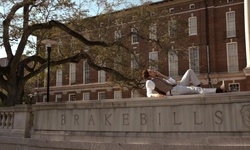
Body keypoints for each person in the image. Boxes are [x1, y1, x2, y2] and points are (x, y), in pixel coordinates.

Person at [142, 69, 225, 98]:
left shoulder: (158, 78)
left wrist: (162, 75)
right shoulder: (150, 82)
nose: (153, 71)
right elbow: (148, 94)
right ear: (149, 76)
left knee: (189, 71)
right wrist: (156, 95)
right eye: (150, 71)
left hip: (177, 86)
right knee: (196, 89)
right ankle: (219, 90)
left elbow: (173, 82)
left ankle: (199, 86)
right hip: (173, 91)